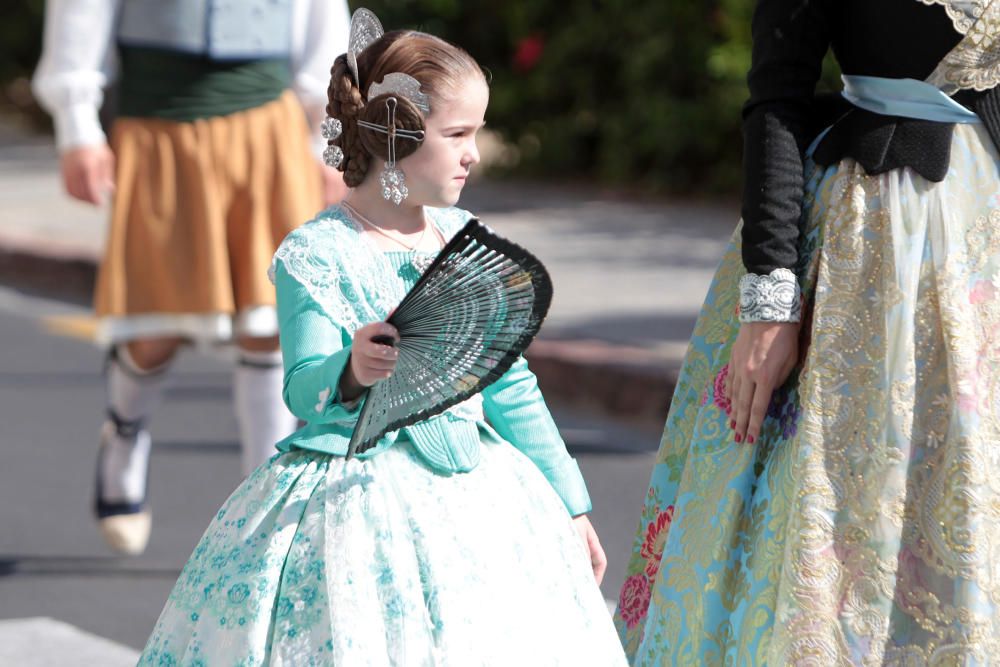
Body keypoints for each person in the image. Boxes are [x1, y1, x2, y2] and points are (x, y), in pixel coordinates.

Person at [137, 12, 628, 665]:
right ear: (394, 135)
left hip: (482, 494)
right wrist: (352, 369)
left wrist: (569, 503)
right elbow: (305, 385)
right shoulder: (316, 253)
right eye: (457, 134)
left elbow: (509, 381)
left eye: (476, 133)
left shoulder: (461, 239)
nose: (474, 152)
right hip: (361, 502)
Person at [614, 0, 1000, 662]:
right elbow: (777, 100)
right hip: (868, 246)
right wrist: (770, 304)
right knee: (844, 504)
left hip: (981, 239)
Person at [31, 0, 350, 556]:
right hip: (162, 128)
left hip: (267, 131)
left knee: (272, 318)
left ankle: (265, 511)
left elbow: (321, 16)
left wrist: (329, 137)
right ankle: (125, 431)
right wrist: (78, 125)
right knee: (156, 326)